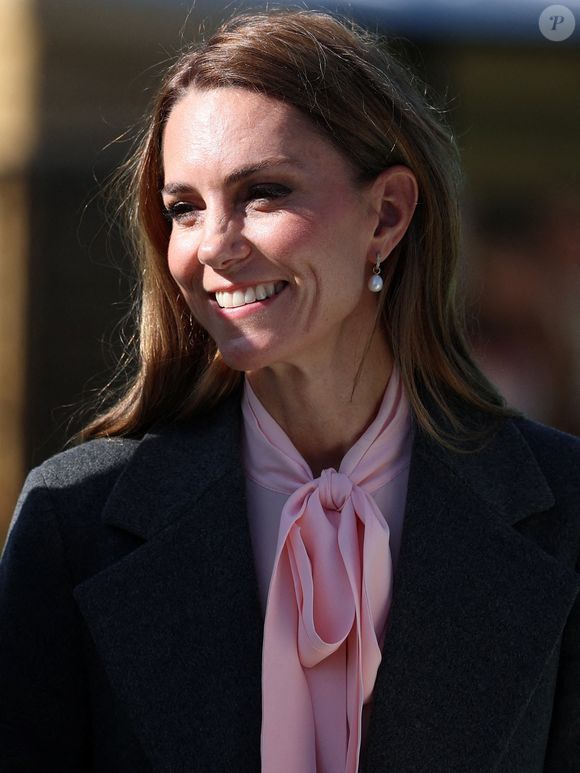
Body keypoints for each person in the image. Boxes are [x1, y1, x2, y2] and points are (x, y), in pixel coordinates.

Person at [1, 9, 579, 773]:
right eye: (184, 208)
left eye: (263, 192)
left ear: (388, 214)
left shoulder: (565, 511)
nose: (213, 245)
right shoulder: (70, 526)